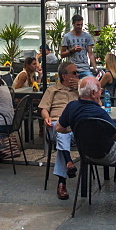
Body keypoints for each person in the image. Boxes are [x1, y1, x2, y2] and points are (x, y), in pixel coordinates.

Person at [56, 75, 116, 207]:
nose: (102, 92)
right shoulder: (99, 113)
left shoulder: (72, 106)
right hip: (106, 154)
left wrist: (77, 127)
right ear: (94, 93)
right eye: (100, 89)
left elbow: (59, 128)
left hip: (86, 154)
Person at [39, 60, 80, 200]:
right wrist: (46, 118)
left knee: (66, 133)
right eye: (74, 73)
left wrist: (80, 87)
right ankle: (63, 177)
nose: (77, 75)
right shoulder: (52, 90)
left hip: (75, 128)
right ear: (64, 76)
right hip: (55, 125)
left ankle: (67, 167)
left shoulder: (80, 91)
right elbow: (44, 108)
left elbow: (94, 101)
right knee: (62, 130)